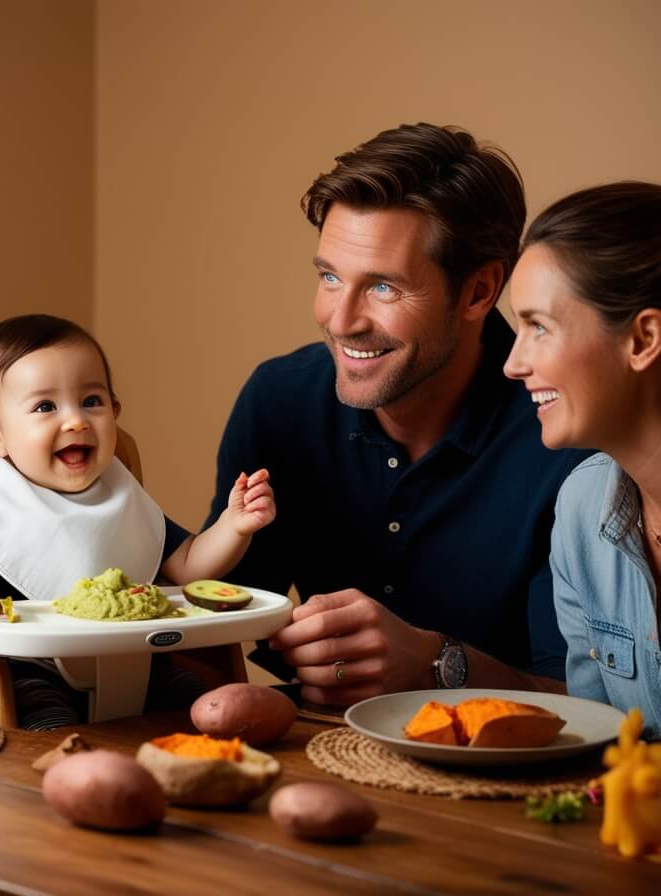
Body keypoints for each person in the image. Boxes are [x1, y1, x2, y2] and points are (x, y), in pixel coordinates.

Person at [204, 123, 591, 707]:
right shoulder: (278, 400)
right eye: (330, 277)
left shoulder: (566, 437)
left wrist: (436, 664)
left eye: (383, 288)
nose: (341, 320)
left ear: (479, 291)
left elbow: (586, 704)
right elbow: (219, 623)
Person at [0, 314, 274, 727]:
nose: (76, 420)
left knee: (216, 710)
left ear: (114, 412)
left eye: (91, 401)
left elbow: (190, 564)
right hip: (31, 674)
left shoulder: (119, 495)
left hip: (141, 669)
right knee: (49, 731)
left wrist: (233, 524)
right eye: (45, 406)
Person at [504, 182, 661, 738]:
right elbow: (599, 747)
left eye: (538, 326)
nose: (513, 363)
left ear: (643, 338)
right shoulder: (579, 507)